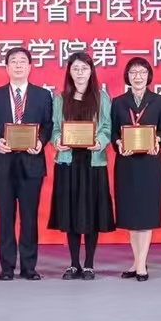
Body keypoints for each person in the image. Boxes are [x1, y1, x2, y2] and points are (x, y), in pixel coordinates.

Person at [0, 47, 55, 281]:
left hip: (31, 164)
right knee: (5, 218)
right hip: (3, 164)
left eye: (22, 61)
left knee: (29, 218)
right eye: (13, 61)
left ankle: (29, 267)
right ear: (6, 68)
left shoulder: (43, 96)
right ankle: (6, 268)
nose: (18, 65)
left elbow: (48, 125)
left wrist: (41, 142)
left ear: (30, 67)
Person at [49, 52, 115, 280]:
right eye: (75, 69)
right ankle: (73, 263)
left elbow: (107, 127)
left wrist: (100, 142)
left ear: (91, 71)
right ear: (69, 72)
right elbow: (55, 128)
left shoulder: (101, 97)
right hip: (68, 163)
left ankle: (89, 264)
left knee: (92, 214)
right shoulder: (60, 99)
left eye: (84, 69)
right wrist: (57, 141)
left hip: (92, 163)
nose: (80, 73)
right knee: (70, 214)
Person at [111, 56, 161, 280]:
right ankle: (136, 261)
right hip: (126, 163)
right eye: (133, 72)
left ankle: (142, 264)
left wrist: (158, 140)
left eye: (142, 72)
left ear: (149, 75)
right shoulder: (118, 102)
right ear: (127, 76)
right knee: (131, 216)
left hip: (150, 163)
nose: (138, 77)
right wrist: (118, 143)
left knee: (146, 214)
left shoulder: (159, 101)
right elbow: (113, 131)